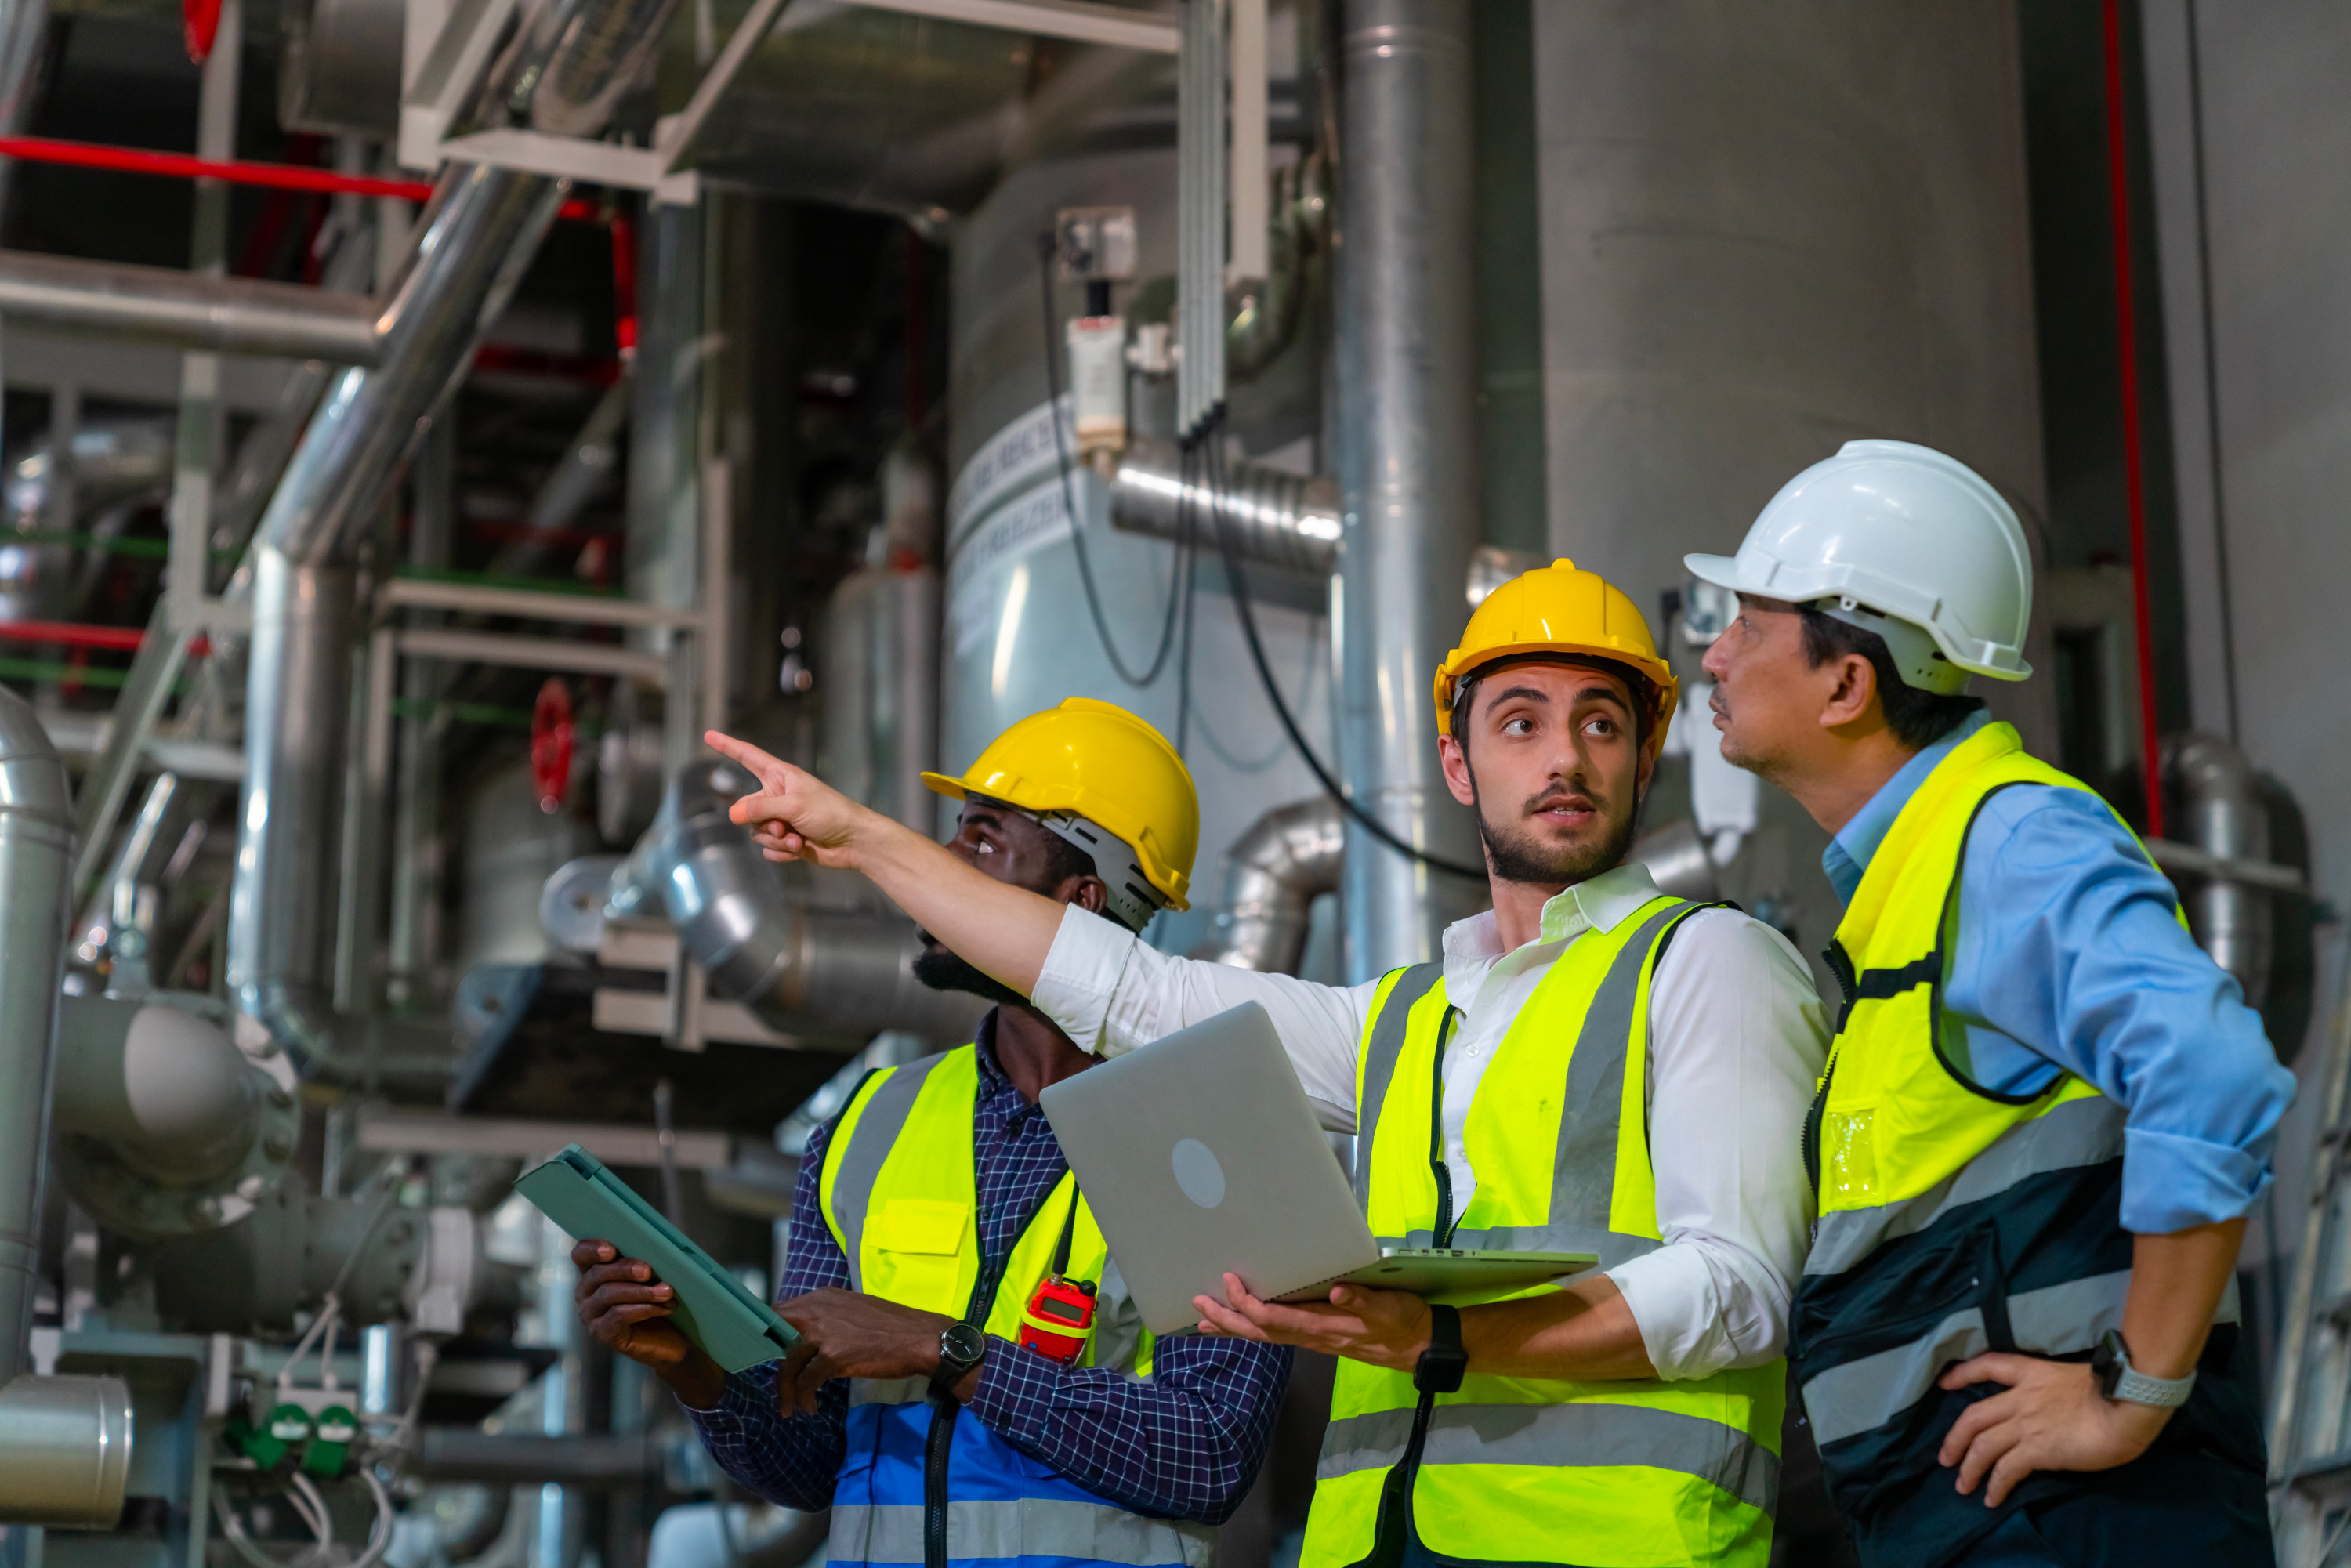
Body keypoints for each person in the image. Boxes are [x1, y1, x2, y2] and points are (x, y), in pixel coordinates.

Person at [708, 560, 1831, 1568]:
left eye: (1601, 724)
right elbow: (1131, 989)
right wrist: (860, 838)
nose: (1565, 759)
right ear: (1458, 761)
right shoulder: (1397, 1023)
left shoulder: (1710, 961)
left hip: (1613, 1553)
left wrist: (1444, 1336)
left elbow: (1740, 1289)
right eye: (1521, 722)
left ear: (1645, 758)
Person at [1687, 438, 2295, 1566]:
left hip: (2072, 1524)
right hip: (1986, 1518)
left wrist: (2133, 1392)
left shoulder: (2006, 836)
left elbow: (2212, 1069)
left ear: (1847, 681)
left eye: (1746, 625)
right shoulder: (1914, 883)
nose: (1714, 658)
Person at [571, 698, 1291, 1568]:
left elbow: (1206, 1455)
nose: (940, 863)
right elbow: (811, 1463)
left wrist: (939, 1347)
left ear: (1083, 897)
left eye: (983, 839)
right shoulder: (867, 1125)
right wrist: (692, 1368)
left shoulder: (1212, 1129)